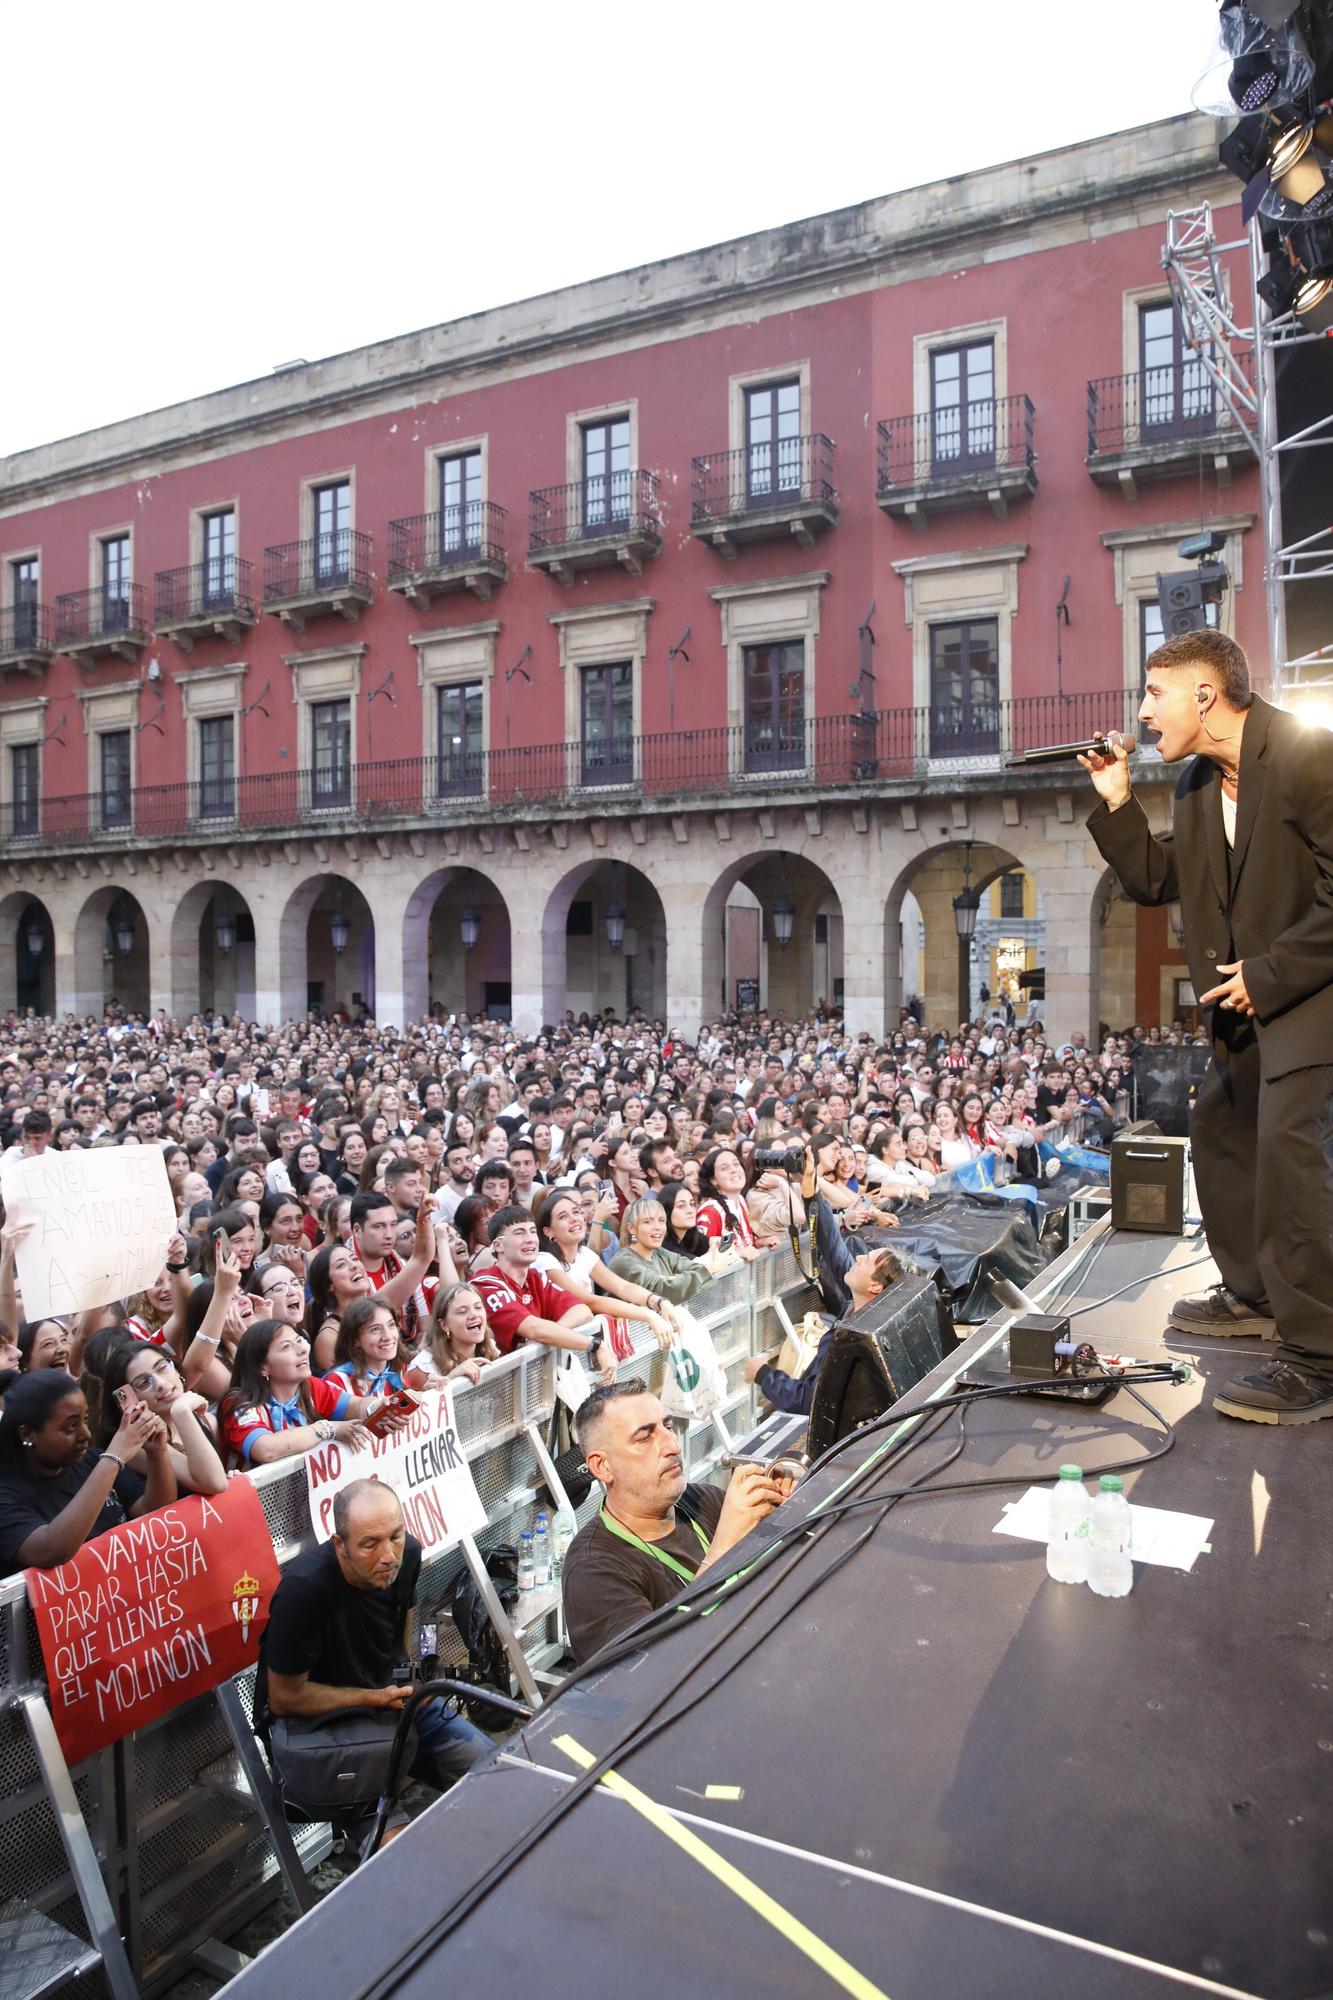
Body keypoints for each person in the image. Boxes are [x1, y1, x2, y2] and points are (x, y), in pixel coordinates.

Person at [1082, 630, 1333, 1424]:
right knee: (1220, 1131)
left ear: (1202, 695)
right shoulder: (1194, 784)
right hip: (1243, 1009)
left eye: (1153, 694)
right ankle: (1255, 1297)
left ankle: (1318, 1358)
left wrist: (1268, 974)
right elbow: (1159, 879)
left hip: (1311, 996)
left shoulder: (1304, 756)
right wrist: (1118, 799)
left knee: (1291, 1156)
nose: (1142, 712)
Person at [257, 1480, 489, 1849]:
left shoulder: (407, 1554)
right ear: (340, 1546)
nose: (388, 1556)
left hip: (390, 1703)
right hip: (328, 1729)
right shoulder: (303, 1590)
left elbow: (407, 1626)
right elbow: (284, 1699)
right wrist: (371, 1698)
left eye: (395, 1536)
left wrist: (416, 1675)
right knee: (401, 1857)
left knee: (501, 1772)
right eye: (369, 1544)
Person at [561, 1378, 792, 1663]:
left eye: (667, 1427)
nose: (673, 1445)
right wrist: (725, 1548)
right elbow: (653, 1672)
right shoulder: (593, 1569)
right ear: (603, 1466)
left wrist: (784, 1507)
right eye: (645, 1437)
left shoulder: (702, 1500)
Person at [0, 1368, 177, 1573]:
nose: (86, 1434)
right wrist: (113, 1458)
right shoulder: (6, 1495)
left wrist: (158, 1453)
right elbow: (53, 1549)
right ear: (28, 1434)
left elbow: (152, 1512)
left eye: (85, 1420)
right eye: (70, 1427)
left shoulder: (92, 1460)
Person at [744, 1249, 904, 1413]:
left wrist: (762, 1374)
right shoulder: (862, 1318)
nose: (858, 1257)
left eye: (866, 1260)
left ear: (875, 1286)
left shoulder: (851, 1339)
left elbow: (811, 1401)